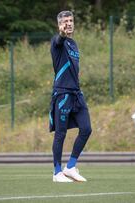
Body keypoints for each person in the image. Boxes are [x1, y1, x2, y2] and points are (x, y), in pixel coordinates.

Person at [49, 10, 92, 182]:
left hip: (76, 94)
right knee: (60, 134)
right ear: (59, 24)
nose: (69, 23)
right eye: (65, 21)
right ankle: (57, 172)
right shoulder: (57, 41)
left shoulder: (74, 44)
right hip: (62, 94)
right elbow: (60, 38)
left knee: (86, 129)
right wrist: (61, 33)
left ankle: (70, 167)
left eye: (71, 20)